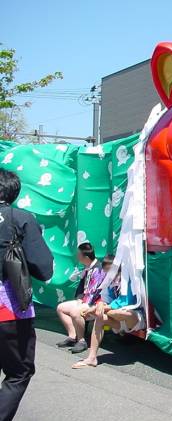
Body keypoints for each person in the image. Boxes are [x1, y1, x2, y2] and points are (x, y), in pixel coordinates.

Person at [0, 169, 54, 421]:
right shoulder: (20, 218)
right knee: (18, 372)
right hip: (8, 310)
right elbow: (43, 267)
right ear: (13, 192)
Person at [72, 262, 145, 369]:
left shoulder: (129, 279)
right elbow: (105, 300)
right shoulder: (109, 283)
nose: (107, 273)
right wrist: (100, 305)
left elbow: (126, 302)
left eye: (110, 270)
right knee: (100, 317)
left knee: (117, 312)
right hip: (117, 321)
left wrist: (100, 308)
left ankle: (102, 311)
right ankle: (92, 358)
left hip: (133, 317)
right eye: (106, 271)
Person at [55, 242, 104, 353]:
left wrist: (82, 303)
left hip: (96, 302)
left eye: (79, 254)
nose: (77, 256)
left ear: (85, 257)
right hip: (86, 299)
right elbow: (82, 287)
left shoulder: (98, 269)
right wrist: (79, 298)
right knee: (60, 308)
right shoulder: (87, 268)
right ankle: (73, 336)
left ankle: (82, 341)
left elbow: (95, 292)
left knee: (75, 312)